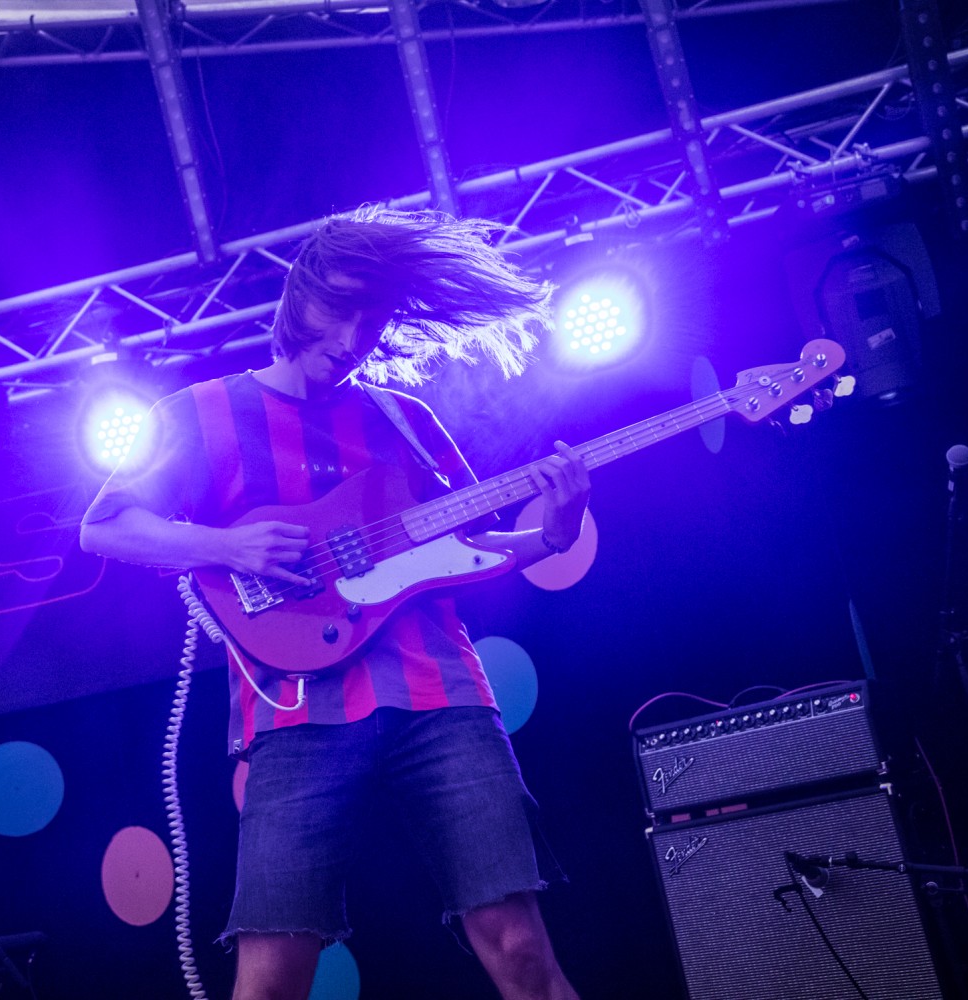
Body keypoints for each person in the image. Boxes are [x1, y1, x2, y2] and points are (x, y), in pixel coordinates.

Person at [79, 208, 591, 1000]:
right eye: (338, 310)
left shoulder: (404, 420)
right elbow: (103, 526)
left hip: (441, 696)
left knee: (521, 949)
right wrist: (225, 546)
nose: (352, 340)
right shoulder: (202, 412)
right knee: (272, 982)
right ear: (298, 295)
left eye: (372, 320)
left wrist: (552, 534)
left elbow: (472, 547)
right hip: (292, 715)